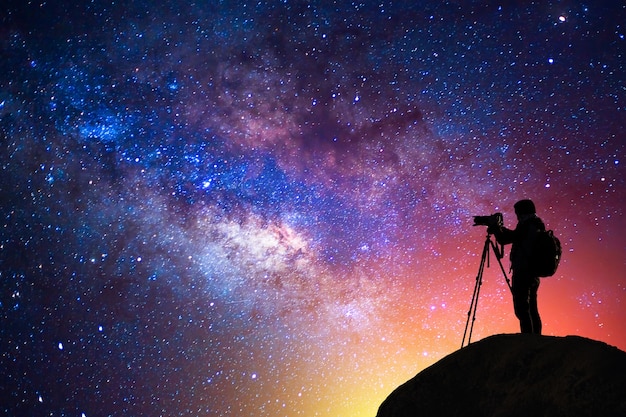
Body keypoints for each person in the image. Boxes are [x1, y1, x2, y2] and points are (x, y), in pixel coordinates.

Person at [490, 199, 545, 334]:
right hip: (532, 274)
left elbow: (505, 239)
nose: (516, 215)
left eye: (517, 212)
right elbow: (515, 236)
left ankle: (528, 340)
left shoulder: (527, 225)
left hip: (523, 272)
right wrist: (499, 229)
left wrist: (496, 228)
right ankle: (535, 338)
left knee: (522, 308)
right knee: (531, 307)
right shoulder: (536, 224)